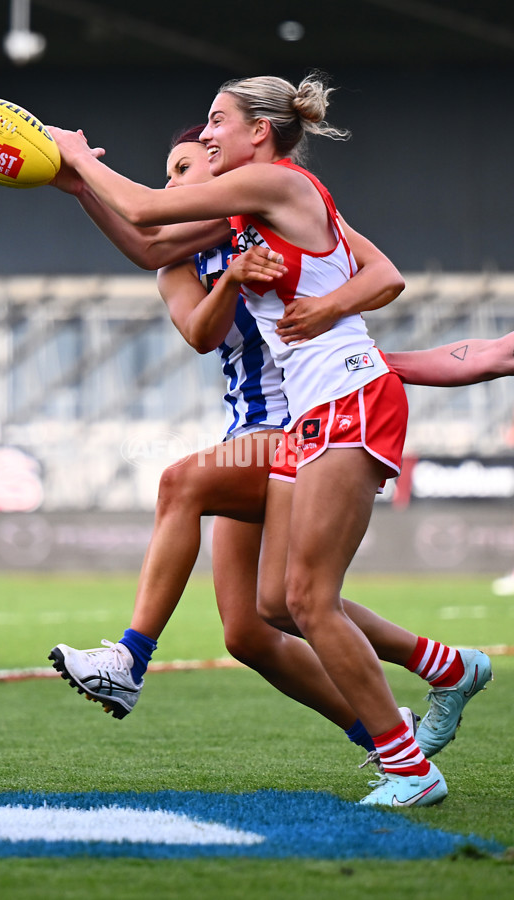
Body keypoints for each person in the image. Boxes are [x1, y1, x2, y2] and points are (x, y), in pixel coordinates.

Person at [45, 77, 494, 806]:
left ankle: (133, 660)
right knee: (273, 613)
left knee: (284, 579)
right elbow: (149, 239)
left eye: (215, 125)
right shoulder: (237, 219)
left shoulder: (273, 185)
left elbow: (150, 212)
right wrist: (82, 187)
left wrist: (74, 155)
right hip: (308, 414)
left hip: (334, 402)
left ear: (258, 133)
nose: (204, 137)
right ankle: (434, 682)